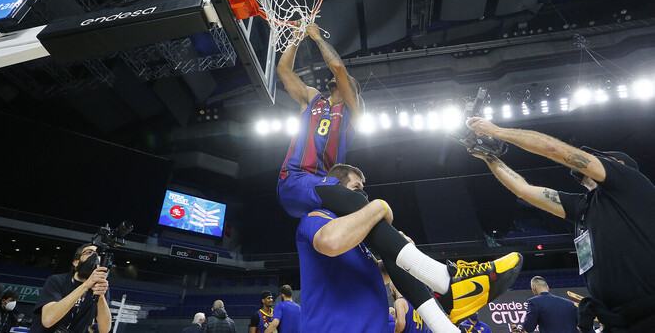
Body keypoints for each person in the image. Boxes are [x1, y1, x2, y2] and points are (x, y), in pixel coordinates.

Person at [276, 24, 523, 326]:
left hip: (319, 187)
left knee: (385, 243)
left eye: (347, 82)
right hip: (296, 178)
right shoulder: (312, 98)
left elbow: (339, 66)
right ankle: (445, 279)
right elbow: (284, 70)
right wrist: (296, 38)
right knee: (370, 208)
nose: (339, 79)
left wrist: (316, 36)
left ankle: (446, 317)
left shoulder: (353, 112)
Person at [466, 117, 655, 331]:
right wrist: (489, 157)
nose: (590, 159)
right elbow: (524, 190)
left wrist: (496, 131)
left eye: (597, 158)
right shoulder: (584, 205)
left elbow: (553, 148)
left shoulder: (629, 182)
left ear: (618, 165)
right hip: (617, 319)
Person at [297, 163, 482, 333]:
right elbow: (331, 241)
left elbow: (371, 275)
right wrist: (380, 206)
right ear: (337, 190)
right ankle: (448, 283)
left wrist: (401, 254)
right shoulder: (318, 215)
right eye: (356, 188)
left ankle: (447, 303)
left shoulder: (360, 241)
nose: (363, 195)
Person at [29, 243, 111, 333]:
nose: (94, 256)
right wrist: (85, 285)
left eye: (97, 254)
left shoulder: (100, 288)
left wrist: (101, 296)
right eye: (89, 252)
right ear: (76, 262)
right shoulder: (57, 280)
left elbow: (105, 330)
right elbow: (48, 320)